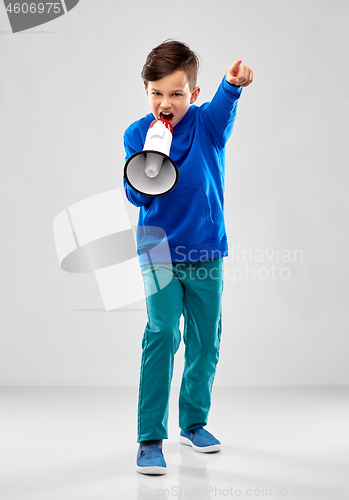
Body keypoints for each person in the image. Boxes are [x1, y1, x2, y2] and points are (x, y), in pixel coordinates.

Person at [122, 40, 253, 475]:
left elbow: (224, 106)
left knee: (205, 339)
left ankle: (193, 423)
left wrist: (232, 85)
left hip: (205, 248)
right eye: (157, 93)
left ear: (192, 95)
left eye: (176, 94)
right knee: (162, 334)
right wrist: (153, 154)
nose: (165, 103)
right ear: (146, 91)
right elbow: (136, 194)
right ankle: (149, 437)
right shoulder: (136, 134)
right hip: (157, 247)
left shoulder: (207, 126)